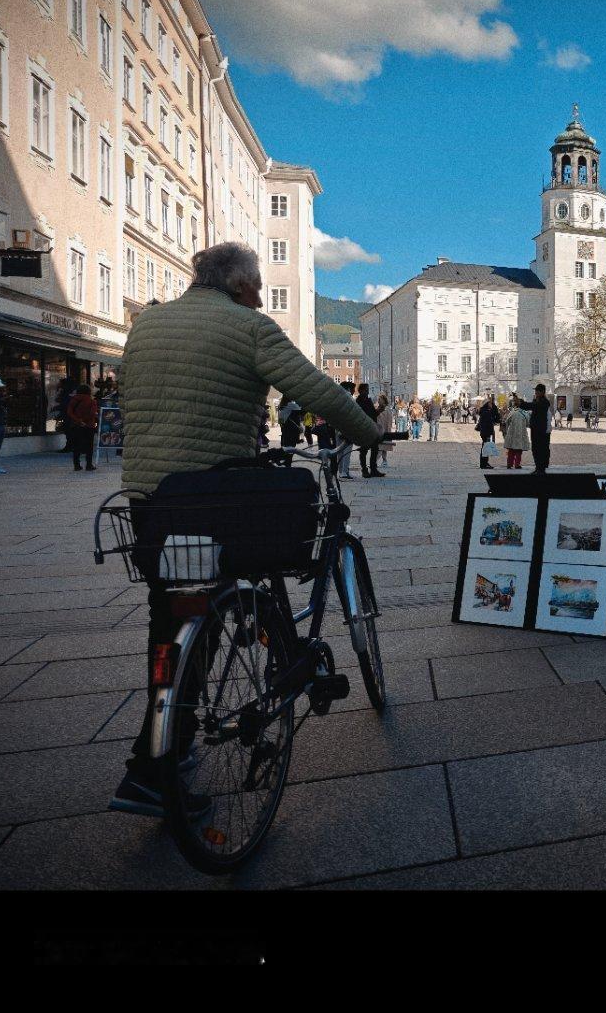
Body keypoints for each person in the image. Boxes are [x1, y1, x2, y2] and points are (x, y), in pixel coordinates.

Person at [110, 241, 380, 818]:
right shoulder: (248, 327)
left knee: (175, 620)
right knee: (234, 576)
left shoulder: (147, 325)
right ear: (238, 286)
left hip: (151, 502)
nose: (260, 296)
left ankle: (155, 758)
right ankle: (269, 655)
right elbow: (316, 389)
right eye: (257, 287)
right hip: (215, 498)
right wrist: (371, 434)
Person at [65, 383, 99, 471]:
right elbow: (92, 413)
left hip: (76, 425)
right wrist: (84, 421)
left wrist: (78, 420)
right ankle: (88, 465)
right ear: (89, 391)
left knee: (76, 446)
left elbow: (69, 412)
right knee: (89, 446)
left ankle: (76, 465)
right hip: (89, 426)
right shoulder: (92, 401)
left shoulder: (74, 400)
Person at [522, 383, 552, 472]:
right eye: (535, 391)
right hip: (535, 428)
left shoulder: (544, 402)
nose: (535, 392)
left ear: (542, 392)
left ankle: (541, 468)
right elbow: (531, 406)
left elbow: (532, 406)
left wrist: (521, 403)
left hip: (541, 430)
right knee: (535, 449)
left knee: (540, 449)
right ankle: (538, 467)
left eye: (537, 391)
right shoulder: (537, 400)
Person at [356, 383, 383, 477]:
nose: (368, 392)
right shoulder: (358, 401)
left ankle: (373, 469)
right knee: (364, 450)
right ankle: (364, 470)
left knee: (375, 448)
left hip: (372, 427)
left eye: (368, 390)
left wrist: (379, 410)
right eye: (366, 390)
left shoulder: (368, 400)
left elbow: (373, 414)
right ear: (361, 391)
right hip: (363, 429)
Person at [503, 397, 530, 469]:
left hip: (512, 433)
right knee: (519, 450)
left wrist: (506, 431)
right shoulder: (525, 413)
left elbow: (507, 422)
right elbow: (528, 424)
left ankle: (509, 464)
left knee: (511, 450)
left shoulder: (512, 412)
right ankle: (517, 464)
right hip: (521, 433)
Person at [476, 393, 501, 469]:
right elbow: (496, 418)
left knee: (486, 447)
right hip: (487, 432)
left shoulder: (485, 411)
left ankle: (484, 463)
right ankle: (484, 464)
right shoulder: (486, 412)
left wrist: (494, 409)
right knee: (486, 447)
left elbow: (496, 417)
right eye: (490, 403)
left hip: (485, 432)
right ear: (487, 404)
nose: (491, 404)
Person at [338, 381, 357, 479]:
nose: (354, 391)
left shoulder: (337, 397)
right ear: (349, 389)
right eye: (353, 389)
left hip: (337, 427)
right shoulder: (349, 398)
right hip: (348, 427)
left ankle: (341, 471)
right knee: (347, 451)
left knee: (339, 451)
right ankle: (345, 472)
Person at [376, 395, 395, 468]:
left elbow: (387, 420)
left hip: (384, 429)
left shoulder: (385, 409)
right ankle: (384, 461)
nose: (378, 401)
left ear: (383, 400)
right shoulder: (380, 408)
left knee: (381, 446)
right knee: (383, 446)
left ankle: (375, 461)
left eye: (379, 399)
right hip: (381, 429)